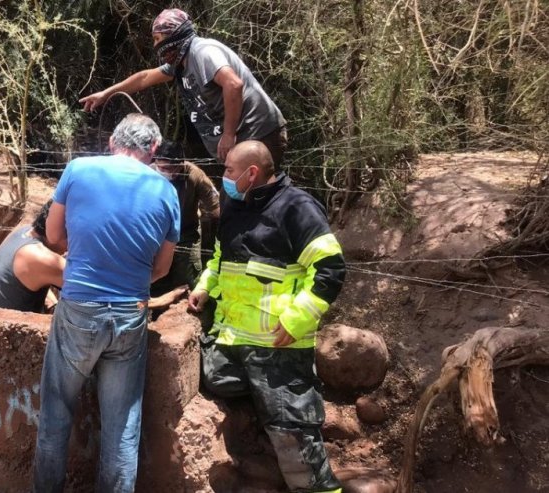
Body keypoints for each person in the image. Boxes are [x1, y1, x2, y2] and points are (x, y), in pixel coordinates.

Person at [33, 113, 180, 492]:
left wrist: (89, 257)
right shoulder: (167, 191)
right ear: (153, 149)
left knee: (56, 411)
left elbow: (52, 235)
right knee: (122, 426)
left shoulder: (79, 169)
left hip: (80, 307)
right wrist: (126, 273)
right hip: (132, 313)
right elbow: (161, 268)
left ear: (112, 143)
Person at [188, 141, 345, 493]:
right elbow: (218, 260)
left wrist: (296, 321)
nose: (224, 177)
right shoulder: (232, 205)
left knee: (293, 436)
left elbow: (330, 269)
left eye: (229, 170)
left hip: (279, 347)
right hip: (228, 344)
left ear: (252, 173)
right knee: (216, 384)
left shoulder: (297, 208)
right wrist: (204, 286)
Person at [80, 8, 287, 167]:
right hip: (242, 141)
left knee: (250, 204)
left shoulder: (202, 52)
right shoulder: (181, 63)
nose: (156, 46)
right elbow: (144, 77)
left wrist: (228, 134)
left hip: (257, 135)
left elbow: (233, 84)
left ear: (174, 36)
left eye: (158, 39)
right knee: (238, 208)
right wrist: (106, 94)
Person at [149, 140, 219, 297]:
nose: (164, 171)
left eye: (169, 168)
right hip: (157, 234)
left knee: (187, 281)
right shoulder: (148, 173)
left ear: (181, 163)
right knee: (154, 278)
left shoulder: (194, 175)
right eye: (161, 167)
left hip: (186, 233)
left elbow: (216, 207)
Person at [0, 200, 65, 313]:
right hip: (9, 329)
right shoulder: (39, 257)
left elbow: (36, 274)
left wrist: (52, 303)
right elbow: (91, 283)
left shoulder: (23, 231)